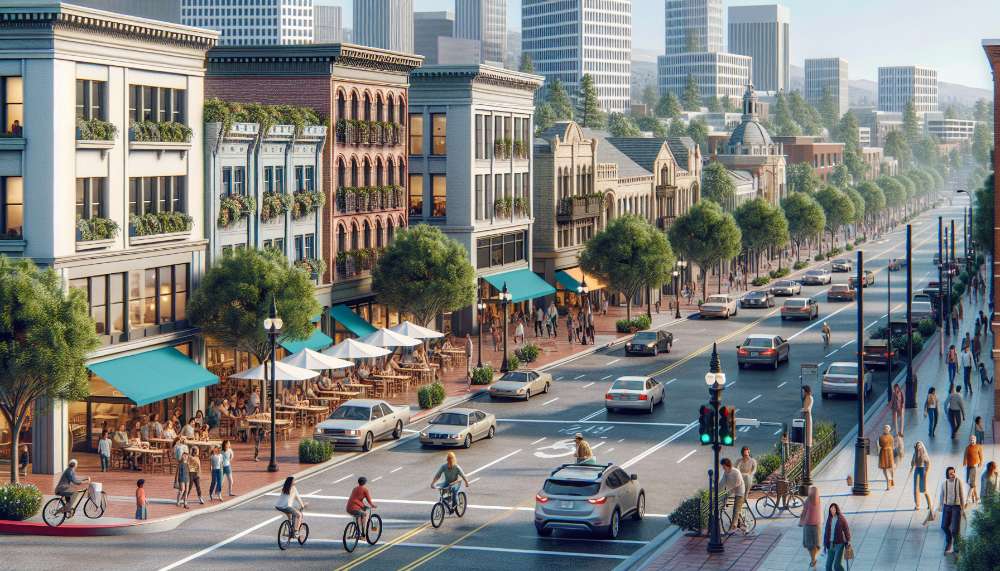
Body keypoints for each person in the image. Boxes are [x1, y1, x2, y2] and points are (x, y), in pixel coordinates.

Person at [938, 466, 967, 554]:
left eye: (953, 472)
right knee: (944, 526)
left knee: (955, 529)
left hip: (956, 506)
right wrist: (940, 505)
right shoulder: (944, 484)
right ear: (947, 474)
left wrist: (962, 507)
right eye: (950, 473)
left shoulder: (958, 482)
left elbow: (961, 495)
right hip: (946, 506)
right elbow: (941, 496)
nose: (953, 474)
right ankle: (949, 540)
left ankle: (956, 546)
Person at [823, 502, 850, 571]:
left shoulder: (841, 518)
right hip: (830, 544)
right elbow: (826, 531)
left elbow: (846, 529)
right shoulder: (829, 519)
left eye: (834, 509)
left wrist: (848, 540)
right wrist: (825, 543)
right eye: (831, 509)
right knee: (828, 566)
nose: (832, 511)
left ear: (837, 510)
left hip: (839, 544)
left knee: (837, 565)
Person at [720, 458, 746, 532]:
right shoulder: (726, 473)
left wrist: (730, 490)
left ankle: (733, 526)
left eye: (724, 466)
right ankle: (742, 524)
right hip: (732, 491)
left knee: (736, 509)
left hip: (740, 491)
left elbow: (738, 483)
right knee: (736, 510)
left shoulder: (736, 472)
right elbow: (722, 483)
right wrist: (716, 488)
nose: (723, 468)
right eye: (723, 466)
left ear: (728, 465)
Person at [799, 485, 822, 567]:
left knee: (809, 545)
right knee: (816, 543)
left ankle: (813, 559)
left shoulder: (808, 501)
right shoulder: (818, 499)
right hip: (817, 525)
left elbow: (804, 512)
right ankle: (814, 558)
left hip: (808, 525)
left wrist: (801, 522)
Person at [910, 441, 933, 511]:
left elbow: (928, 463)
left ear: (922, 446)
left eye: (919, 445)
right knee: (916, 489)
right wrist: (912, 463)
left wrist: (926, 472)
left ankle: (929, 504)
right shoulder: (915, 453)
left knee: (924, 489)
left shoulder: (924, 453)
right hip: (917, 470)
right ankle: (917, 505)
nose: (918, 447)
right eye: (917, 446)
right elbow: (912, 463)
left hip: (923, 470)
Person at [964, 435, 984, 504]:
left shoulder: (978, 447)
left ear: (975, 440)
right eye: (971, 439)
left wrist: (981, 462)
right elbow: (965, 455)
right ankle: (976, 497)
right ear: (969, 440)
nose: (972, 440)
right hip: (968, 466)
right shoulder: (967, 448)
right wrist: (964, 462)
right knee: (969, 482)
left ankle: (969, 497)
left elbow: (981, 455)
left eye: (973, 439)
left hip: (974, 466)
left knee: (972, 483)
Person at [878, 425, 896, 489]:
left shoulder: (891, 437)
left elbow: (892, 445)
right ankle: (888, 481)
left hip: (889, 452)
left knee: (891, 467)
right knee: (884, 468)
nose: (886, 429)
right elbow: (880, 444)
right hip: (883, 452)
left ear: (889, 429)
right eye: (885, 428)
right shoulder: (881, 437)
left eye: (887, 428)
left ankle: (892, 479)